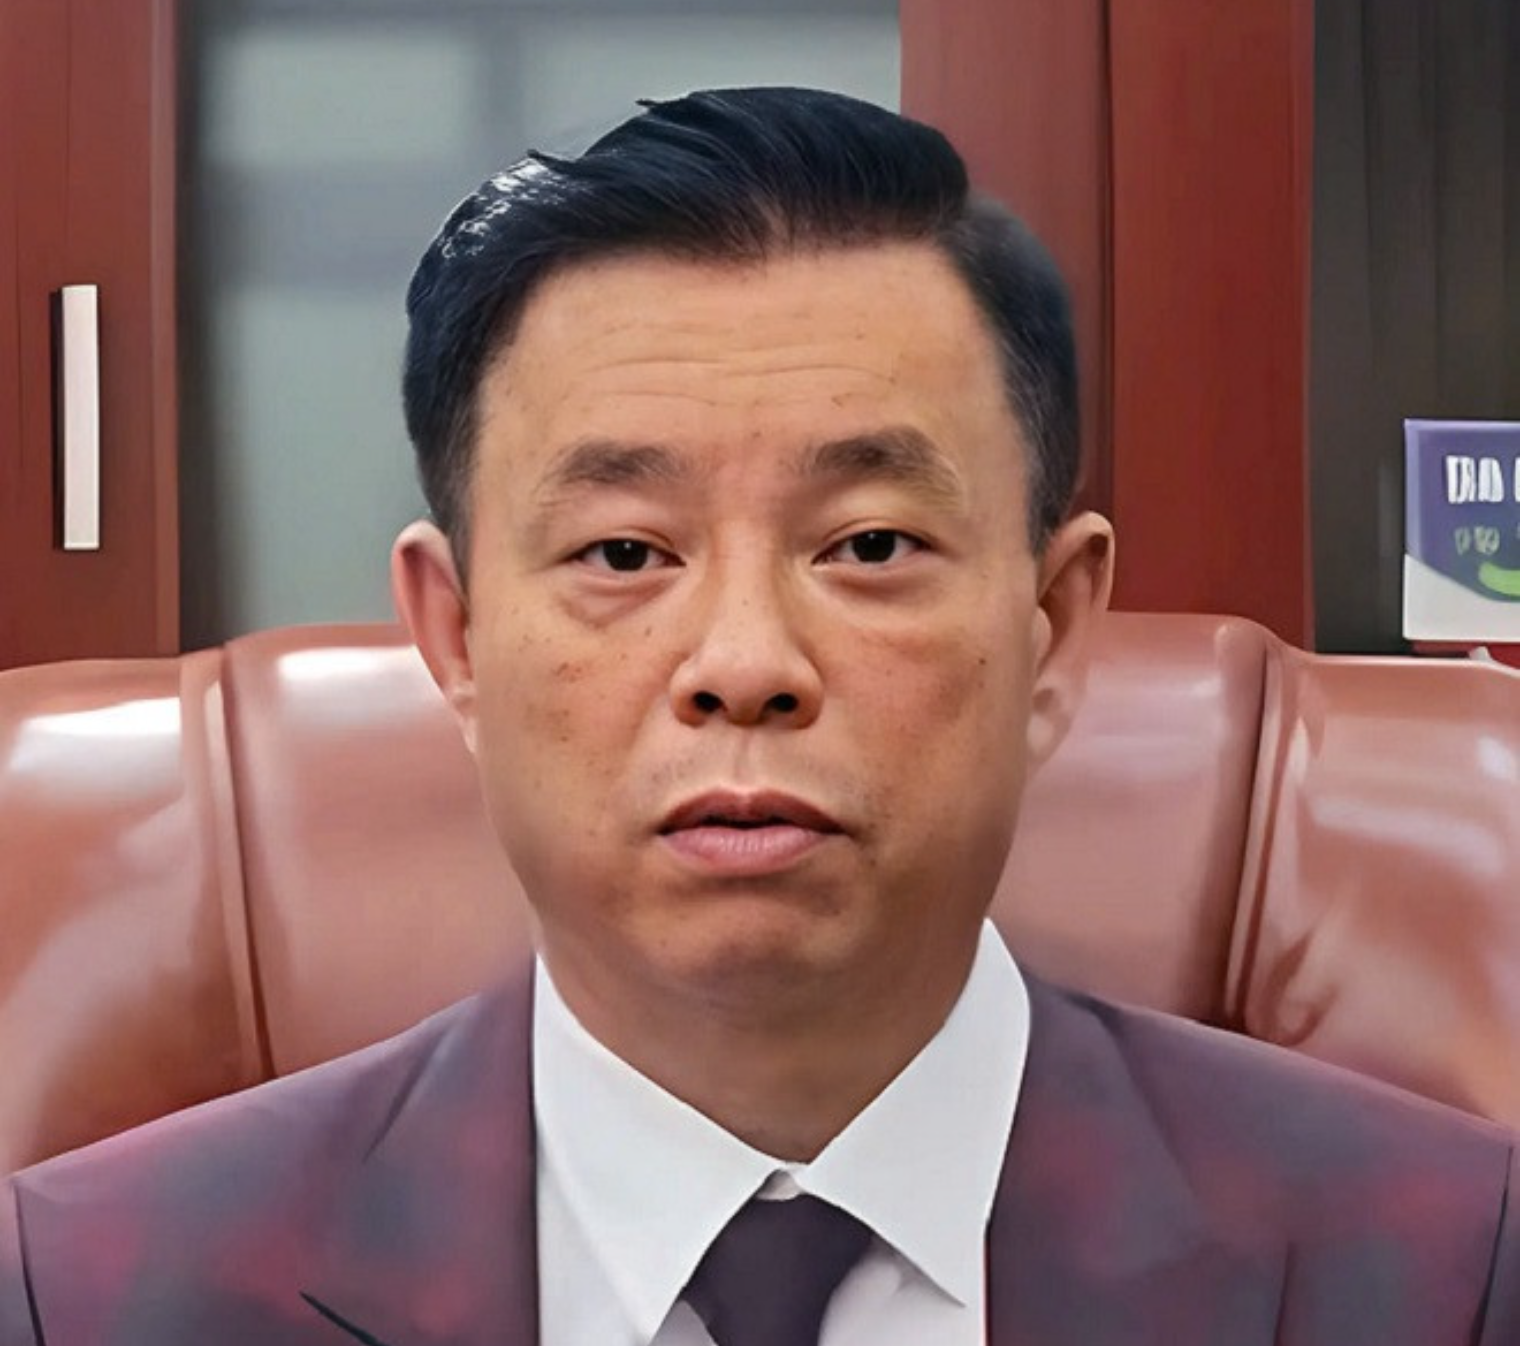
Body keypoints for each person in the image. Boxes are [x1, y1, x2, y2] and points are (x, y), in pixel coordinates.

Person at [0, 87, 1515, 1346]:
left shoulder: (1446, 1266)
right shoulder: (89, 1288)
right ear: (454, 637)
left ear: (1051, 628)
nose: (742, 662)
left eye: (868, 544)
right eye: (622, 554)